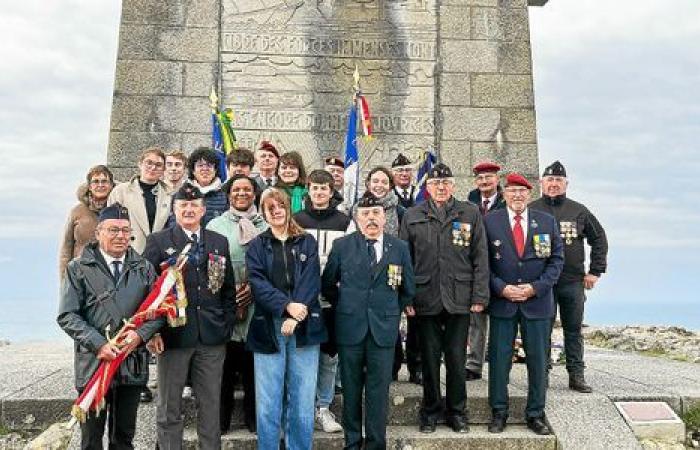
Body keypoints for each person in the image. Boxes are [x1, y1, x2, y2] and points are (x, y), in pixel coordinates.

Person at [58, 203, 160, 449]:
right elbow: (67, 315)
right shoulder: (78, 269)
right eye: (113, 230)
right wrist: (99, 344)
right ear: (98, 233)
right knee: (91, 439)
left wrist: (140, 335)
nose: (120, 236)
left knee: (124, 438)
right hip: (95, 363)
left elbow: (158, 312)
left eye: (125, 231)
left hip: (131, 362)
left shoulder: (144, 268)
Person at [143, 184, 236, 450]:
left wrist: (225, 323)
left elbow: (227, 288)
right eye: (183, 205)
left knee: (210, 407)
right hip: (173, 337)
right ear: (175, 210)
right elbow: (147, 292)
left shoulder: (218, 241)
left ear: (203, 210)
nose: (189, 210)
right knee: (169, 407)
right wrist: (152, 333)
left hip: (212, 337)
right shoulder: (159, 242)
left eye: (194, 205)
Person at [399, 162, 489, 434]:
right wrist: (406, 298)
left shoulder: (470, 213)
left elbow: (480, 257)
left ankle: (457, 412)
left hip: (459, 297)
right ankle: (430, 411)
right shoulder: (413, 215)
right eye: (435, 184)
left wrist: (480, 295)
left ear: (453, 186)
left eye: (445, 183)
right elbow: (403, 260)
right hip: (424, 297)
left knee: (455, 359)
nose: (441, 187)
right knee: (428, 359)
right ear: (427, 188)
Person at [322, 191, 416, 450]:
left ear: (385, 217)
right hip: (350, 329)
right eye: (365, 214)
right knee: (351, 392)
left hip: (383, 331)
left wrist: (388, 311)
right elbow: (328, 284)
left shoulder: (399, 248)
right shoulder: (342, 246)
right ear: (357, 218)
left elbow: (408, 289)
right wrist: (348, 306)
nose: (371, 218)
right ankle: (352, 443)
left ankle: (376, 444)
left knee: (378, 392)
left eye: (376, 213)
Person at [245, 188, 326, 450]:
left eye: (280, 205)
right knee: (268, 402)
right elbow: (258, 284)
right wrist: (286, 307)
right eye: (270, 207)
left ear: (288, 207)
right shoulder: (257, 245)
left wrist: (297, 315)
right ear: (263, 212)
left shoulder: (307, 242)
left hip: (304, 328)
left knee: (302, 400)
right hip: (269, 327)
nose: (276, 211)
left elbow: (311, 280)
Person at [484, 173, 564, 435]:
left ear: (529, 194)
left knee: (538, 361)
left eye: (522, 191)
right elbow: (482, 262)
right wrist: (501, 288)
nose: (517, 196)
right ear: (504, 194)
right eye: (512, 191)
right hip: (502, 302)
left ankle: (535, 414)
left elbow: (556, 261)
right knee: (498, 361)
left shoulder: (547, 222)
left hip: (537, 303)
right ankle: (498, 412)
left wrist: (534, 288)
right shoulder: (489, 221)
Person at [529, 161, 608, 393]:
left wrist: (595, 271)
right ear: (541, 183)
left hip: (572, 281)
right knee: (542, 329)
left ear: (566, 184)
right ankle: (542, 375)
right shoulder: (531, 210)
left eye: (558, 180)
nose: (554, 184)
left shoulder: (579, 211)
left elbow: (599, 240)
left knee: (573, 330)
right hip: (542, 283)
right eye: (549, 180)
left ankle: (576, 375)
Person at [207, 175, 268, 433]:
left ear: (254, 194)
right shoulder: (215, 225)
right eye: (236, 189)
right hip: (225, 302)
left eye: (247, 189)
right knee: (225, 367)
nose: (241, 193)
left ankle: (255, 419)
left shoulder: (266, 225)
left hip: (259, 304)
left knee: (256, 368)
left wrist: (255, 288)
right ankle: (220, 420)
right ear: (228, 194)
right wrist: (230, 293)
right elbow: (209, 263)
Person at [293, 169, 350, 433]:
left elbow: (350, 259)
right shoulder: (296, 220)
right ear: (308, 190)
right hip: (303, 299)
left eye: (323, 188)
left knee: (329, 356)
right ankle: (303, 406)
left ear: (331, 191)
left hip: (331, 299)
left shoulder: (344, 221)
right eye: (314, 188)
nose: (319, 192)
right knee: (304, 353)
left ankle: (323, 407)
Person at [465, 161, 506, 381]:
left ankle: (500, 366)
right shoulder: (469, 203)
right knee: (476, 319)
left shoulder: (505, 201)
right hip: (476, 268)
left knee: (500, 319)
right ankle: (474, 365)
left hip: (501, 268)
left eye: (488, 177)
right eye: (480, 178)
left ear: (497, 179)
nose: (484, 182)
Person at [389, 153, 422, 385]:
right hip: (391, 264)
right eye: (399, 171)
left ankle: (416, 367)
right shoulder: (386, 199)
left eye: (407, 170)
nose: (404, 174)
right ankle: (391, 366)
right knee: (390, 318)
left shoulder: (421, 196)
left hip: (416, 265)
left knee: (415, 320)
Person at [108, 147, 172, 254]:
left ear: (163, 170)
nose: (153, 168)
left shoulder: (170, 195)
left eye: (158, 165)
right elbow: (110, 225)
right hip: (128, 251)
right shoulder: (121, 192)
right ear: (140, 164)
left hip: (158, 255)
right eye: (149, 163)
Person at [59, 165, 115, 278]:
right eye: (96, 181)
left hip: (111, 274)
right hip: (81, 274)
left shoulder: (119, 210)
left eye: (104, 181)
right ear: (89, 186)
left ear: (111, 185)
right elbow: (66, 249)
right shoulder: (77, 211)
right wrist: (65, 279)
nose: (100, 185)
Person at [186, 147, 229, 226]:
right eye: (200, 165)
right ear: (193, 171)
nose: (205, 169)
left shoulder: (225, 196)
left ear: (215, 170)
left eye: (209, 165)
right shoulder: (182, 193)